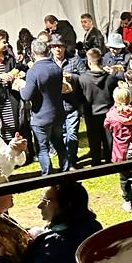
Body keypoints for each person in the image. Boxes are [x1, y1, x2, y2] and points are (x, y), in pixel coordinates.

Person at [19, 39, 67, 175]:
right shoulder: (56, 68)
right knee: (60, 144)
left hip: (41, 116)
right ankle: (66, 170)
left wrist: (20, 87)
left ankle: (48, 175)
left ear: (33, 52)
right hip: (57, 113)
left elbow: (27, 95)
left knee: (43, 148)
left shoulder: (33, 71)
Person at [104, 86, 132, 212]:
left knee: (124, 177)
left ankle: (127, 200)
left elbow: (107, 126)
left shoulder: (112, 115)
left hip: (121, 152)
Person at [76, 48, 117, 166]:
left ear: (88, 62)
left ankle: (96, 161)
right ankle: (110, 160)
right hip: (108, 112)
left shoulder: (82, 79)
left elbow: (79, 97)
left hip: (91, 113)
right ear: (101, 61)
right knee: (109, 139)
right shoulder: (111, 78)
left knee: (94, 139)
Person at [48, 35, 83, 168]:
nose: (58, 49)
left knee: (72, 134)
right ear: (50, 48)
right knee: (61, 135)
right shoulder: (48, 63)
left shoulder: (74, 60)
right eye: (55, 46)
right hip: (56, 106)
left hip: (72, 104)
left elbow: (84, 76)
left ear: (64, 47)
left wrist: (72, 77)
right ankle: (65, 161)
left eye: (60, 46)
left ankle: (72, 160)